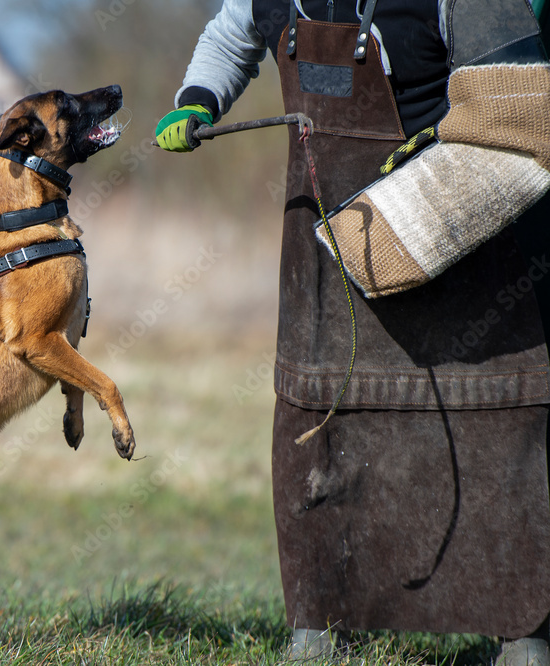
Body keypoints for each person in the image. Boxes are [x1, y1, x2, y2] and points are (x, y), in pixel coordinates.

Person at [156, 1, 550, 664]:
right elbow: (230, 33)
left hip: (460, 226)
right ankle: (318, 625)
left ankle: (522, 631)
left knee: (496, 423)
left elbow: (521, 101)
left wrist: (452, 154)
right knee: (323, 426)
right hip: (325, 244)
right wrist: (197, 100)